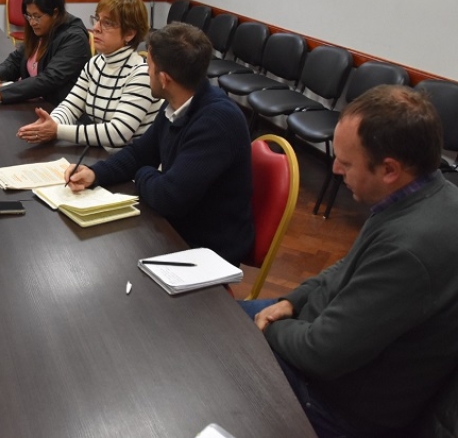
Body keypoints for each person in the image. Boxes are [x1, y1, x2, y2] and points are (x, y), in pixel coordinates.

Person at [242, 85, 458, 438]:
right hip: (322, 339)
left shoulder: (409, 249)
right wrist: (293, 300)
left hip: (338, 405)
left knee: (219, 351)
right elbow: (348, 265)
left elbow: (322, 354)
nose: (335, 168)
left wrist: (269, 327)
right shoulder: (421, 196)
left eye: (346, 162)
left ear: (389, 169)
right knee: (216, 320)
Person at [65, 22, 254, 266]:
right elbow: (141, 152)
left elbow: (168, 197)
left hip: (205, 249)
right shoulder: (178, 101)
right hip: (176, 226)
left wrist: (143, 173)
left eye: (149, 66)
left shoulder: (216, 122)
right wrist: (95, 173)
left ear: (164, 79)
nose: (146, 72)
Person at [17, 0, 162, 148]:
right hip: (99, 153)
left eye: (107, 23)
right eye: (97, 19)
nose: (96, 28)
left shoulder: (141, 74)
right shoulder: (95, 64)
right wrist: (50, 123)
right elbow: (70, 107)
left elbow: (117, 134)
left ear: (129, 34)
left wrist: (57, 130)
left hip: (127, 159)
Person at [0, 0, 89, 105]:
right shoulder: (40, 30)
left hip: (56, 108)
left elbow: (49, 79)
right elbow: (16, 59)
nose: (32, 22)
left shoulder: (74, 38)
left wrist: (3, 92)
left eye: (37, 16)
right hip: (34, 103)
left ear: (55, 13)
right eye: (29, 16)